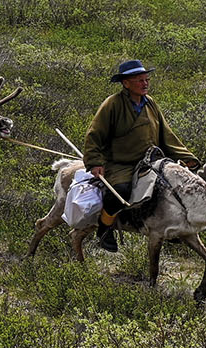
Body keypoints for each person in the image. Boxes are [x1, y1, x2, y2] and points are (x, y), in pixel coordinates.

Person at [82, 59, 195, 251]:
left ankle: (164, 227)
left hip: (151, 162)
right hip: (121, 164)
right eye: (139, 80)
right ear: (125, 83)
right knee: (120, 192)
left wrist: (187, 157)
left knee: (167, 190)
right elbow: (94, 135)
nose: (145, 84)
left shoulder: (150, 104)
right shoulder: (112, 104)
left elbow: (166, 135)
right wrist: (94, 162)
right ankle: (104, 228)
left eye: (146, 79)